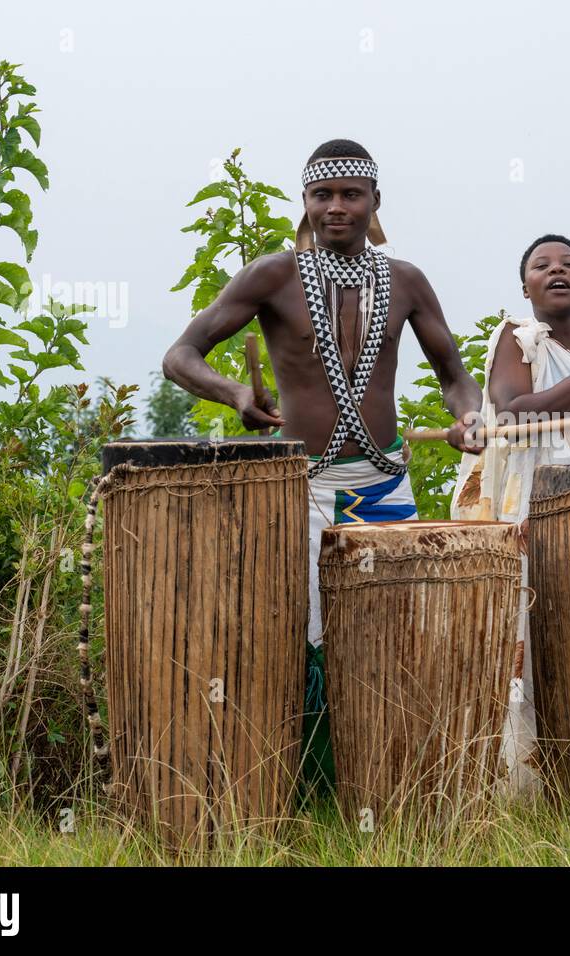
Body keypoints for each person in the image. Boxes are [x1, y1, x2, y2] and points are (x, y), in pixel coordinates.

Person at [162, 139, 483, 791]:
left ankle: (391, 786)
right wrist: (235, 393)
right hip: (301, 490)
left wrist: (471, 416)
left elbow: (455, 377)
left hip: (386, 486)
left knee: (396, 635)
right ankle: (309, 791)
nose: (336, 207)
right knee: (302, 642)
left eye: (351, 195)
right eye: (322, 196)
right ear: (305, 204)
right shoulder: (274, 276)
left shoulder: (407, 282)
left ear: (375, 203)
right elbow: (181, 355)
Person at [451, 234, 570, 794]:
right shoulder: (518, 337)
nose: (556, 270)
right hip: (536, 499)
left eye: (569, 263)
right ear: (523, 285)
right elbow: (513, 410)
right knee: (533, 624)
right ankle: (526, 785)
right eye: (541, 265)